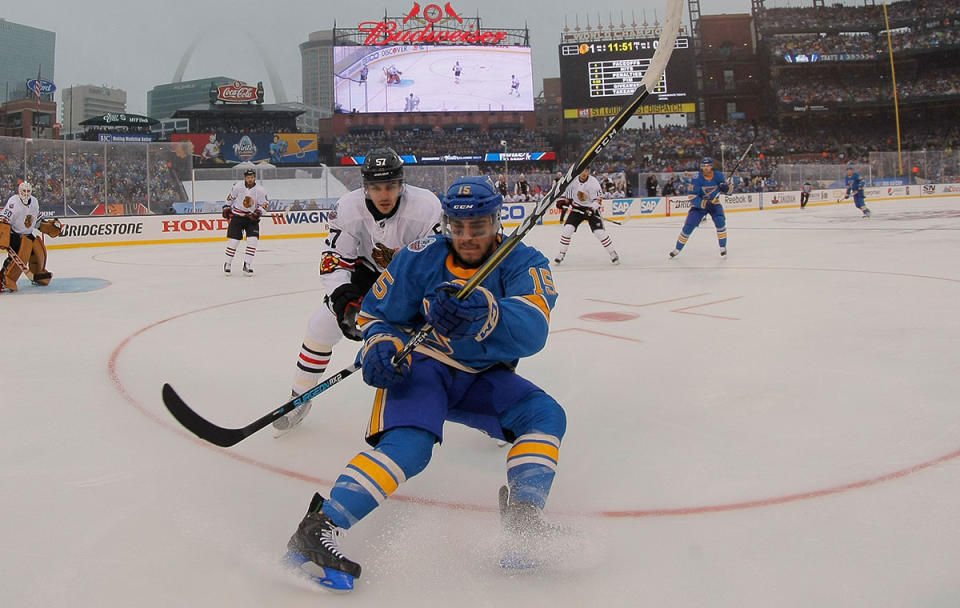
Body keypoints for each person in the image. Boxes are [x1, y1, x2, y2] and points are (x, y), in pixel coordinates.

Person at [284, 176, 566, 591]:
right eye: (458, 227)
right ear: (446, 223)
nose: (467, 238)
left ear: (497, 221)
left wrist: (488, 313)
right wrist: (379, 345)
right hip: (421, 365)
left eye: (479, 228)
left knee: (544, 416)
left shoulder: (524, 262)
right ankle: (318, 528)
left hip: (479, 375)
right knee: (410, 448)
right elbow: (377, 314)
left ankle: (524, 519)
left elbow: (534, 327)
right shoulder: (419, 258)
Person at [279, 147, 442, 432]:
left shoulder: (426, 207)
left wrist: (431, 301)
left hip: (414, 278)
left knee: (454, 333)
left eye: (390, 186)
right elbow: (334, 259)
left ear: (402, 184)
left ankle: (491, 406)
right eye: (376, 187)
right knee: (320, 326)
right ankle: (299, 397)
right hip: (367, 274)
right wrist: (344, 299)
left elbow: (441, 260)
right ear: (365, 187)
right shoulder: (348, 207)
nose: (384, 194)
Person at [1, 182, 61, 292]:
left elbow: (36, 220)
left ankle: (38, 274)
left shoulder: (34, 201)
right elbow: (4, 219)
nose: (26, 193)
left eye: (28, 191)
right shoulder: (14, 201)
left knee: (39, 252)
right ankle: (4, 278)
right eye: (24, 191)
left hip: (28, 234)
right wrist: (3, 235)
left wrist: (48, 226)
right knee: (21, 254)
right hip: (15, 234)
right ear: (19, 191)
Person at [553, 167, 619, 265]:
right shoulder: (573, 181)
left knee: (599, 233)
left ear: (588, 172)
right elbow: (567, 196)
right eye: (583, 171)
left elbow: (598, 200)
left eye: (586, 171)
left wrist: (592, 209)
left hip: (591, 209)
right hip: (577, 209)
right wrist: (563, 202)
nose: (584, 173)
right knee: (567, 230)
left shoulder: (593, 183)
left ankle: (613, 253)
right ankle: (561, 253)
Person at [668, 157, 729, 258]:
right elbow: (692, 196)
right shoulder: (696, 178)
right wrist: (703, 203)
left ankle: (723, 247)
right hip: (699, 206)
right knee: (689, 226)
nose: (705, 168)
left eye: (707, 166)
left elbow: (729, 189)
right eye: (703, 166)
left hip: (714, 203)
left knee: (720, 222)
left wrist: (726, 189)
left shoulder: (718, 175)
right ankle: (677, 248)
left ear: (711, 166)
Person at [222, 168, 269, 275]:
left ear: (254, 178)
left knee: (252, 241)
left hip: (251, 219)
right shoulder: (238, 186)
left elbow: (265, 205)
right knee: (233, 242)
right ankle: (228, 263)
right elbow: (230, 198)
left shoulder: (261, 190)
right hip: (237, 217)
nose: (250, 179)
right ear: (245, 178)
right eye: (248, 177)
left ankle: (247, 265)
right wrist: (226, 207)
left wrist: (258, 212)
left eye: (252, 177)